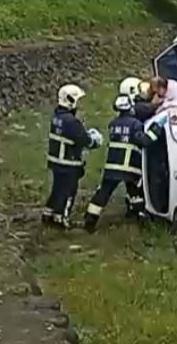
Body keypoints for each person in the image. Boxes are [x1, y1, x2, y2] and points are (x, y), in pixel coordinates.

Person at [83, 95, 152, 233]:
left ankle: (90, 219)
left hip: (112, 167)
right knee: (135, 192)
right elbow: (144, 141)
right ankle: (141, 218)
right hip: (129, 167)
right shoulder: (136, 124)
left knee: (103, 192)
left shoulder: (113, 124)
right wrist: (155, 131)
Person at [45, 84, 103, 229]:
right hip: (69, 163)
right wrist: (95, 139)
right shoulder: (72, 122)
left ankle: (48, 214)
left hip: (56, 161)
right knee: (69, 191)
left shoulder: (56, 116)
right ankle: (61, 219)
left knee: (57, 189)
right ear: (70, 100)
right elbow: (85, 140)